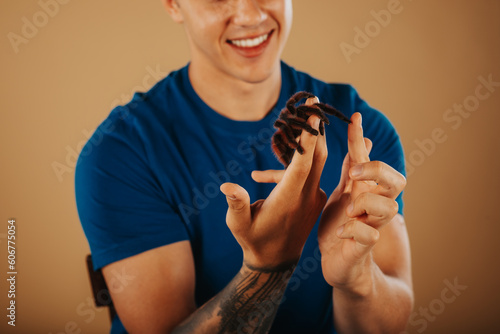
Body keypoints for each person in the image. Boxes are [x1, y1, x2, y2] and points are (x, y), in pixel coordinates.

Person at [75, 0, 413, 333]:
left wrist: (356, 277)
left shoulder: (360, 129)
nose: (251, 15)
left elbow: (386, 323)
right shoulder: (121, 154)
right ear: (173, 5)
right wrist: (267, 266)